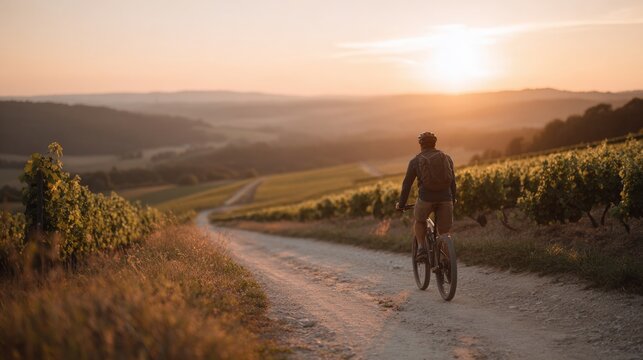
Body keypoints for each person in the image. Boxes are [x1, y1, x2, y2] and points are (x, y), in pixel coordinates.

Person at [395, 132, 456, 262]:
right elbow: (452, 182)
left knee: (419, 220)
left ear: (421, 145)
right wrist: (453, 199)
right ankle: (447, 262)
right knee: (445, 232)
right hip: (446, 198)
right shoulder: (446, 158)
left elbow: (406, 185)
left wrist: (401, 205)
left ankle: (421, 248)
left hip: (426, 199)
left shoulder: (415, 161)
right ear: (435, 143)